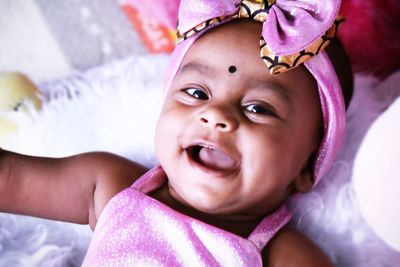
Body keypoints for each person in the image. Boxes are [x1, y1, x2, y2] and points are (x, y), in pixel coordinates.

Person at [0, 0, 353, 266]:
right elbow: (9, 178)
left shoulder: (282, 254)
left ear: (307, 166)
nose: (214, 114)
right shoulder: (111, 185)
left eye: (258, 108)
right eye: (197, 93)